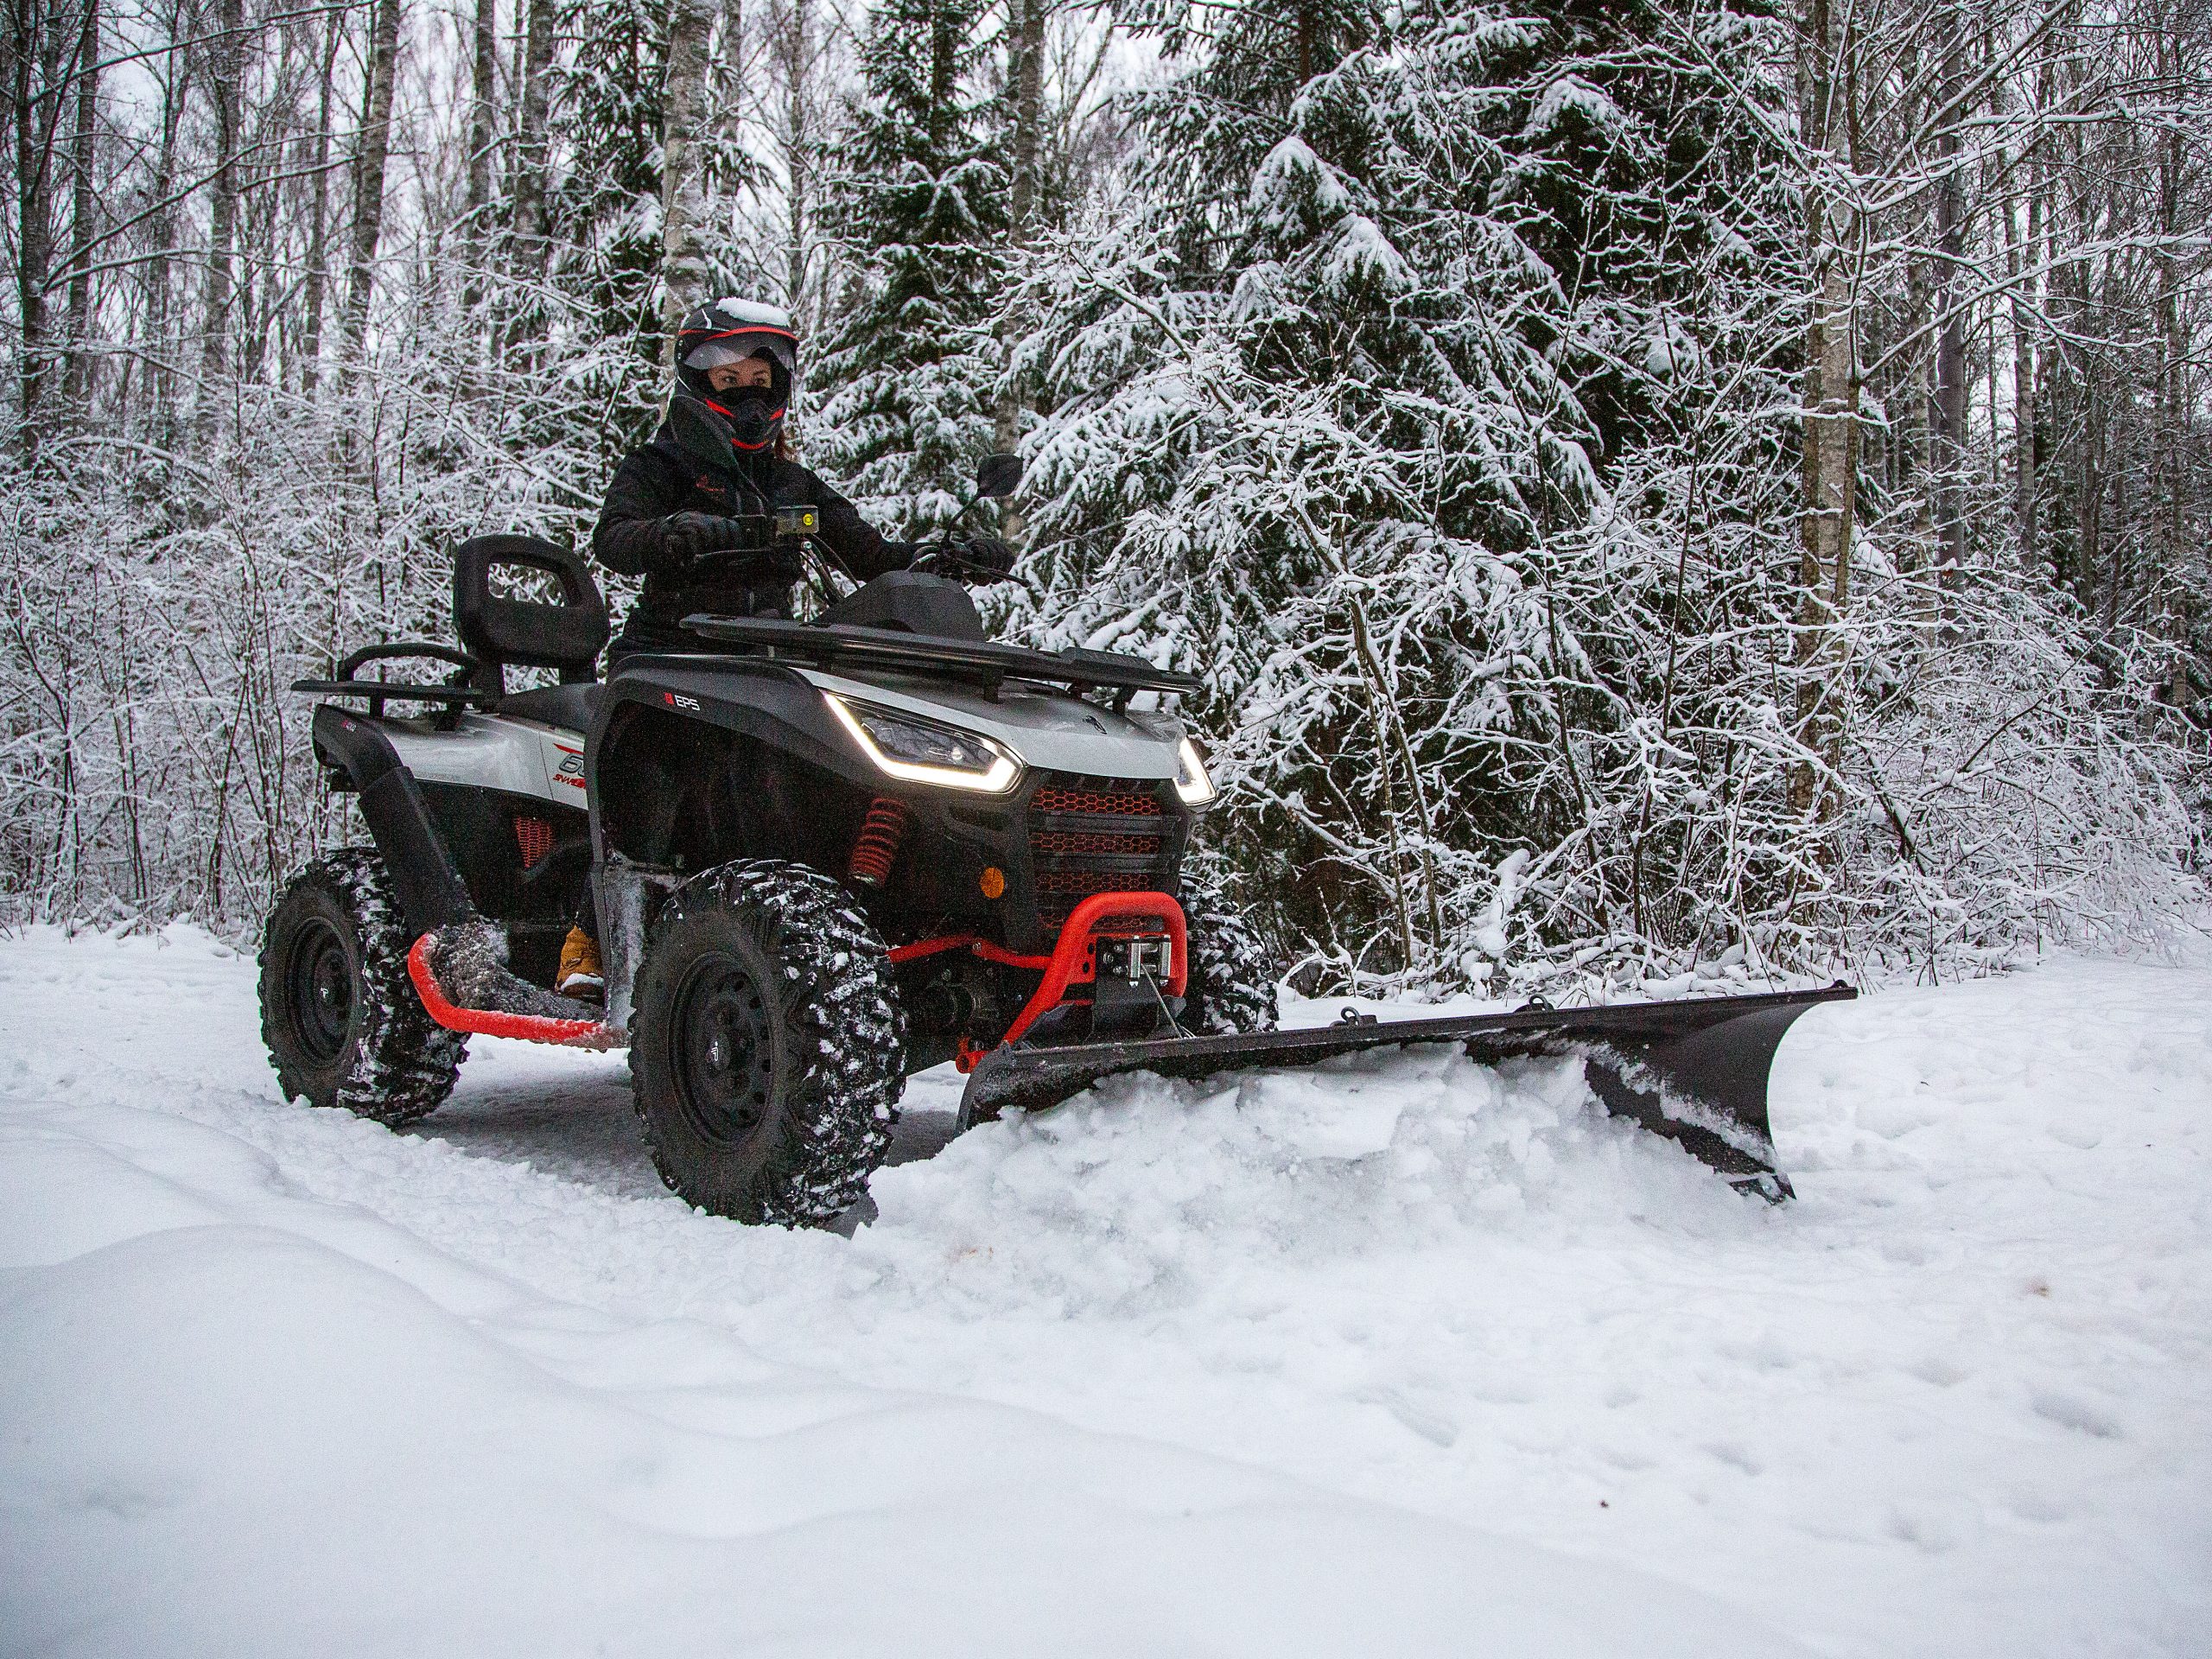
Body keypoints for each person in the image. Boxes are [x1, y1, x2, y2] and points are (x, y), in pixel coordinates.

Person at [556, 296, 1015, 997]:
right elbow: (614, 536)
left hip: (766, 663)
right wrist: (670, 531)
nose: (746, 394)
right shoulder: (660, 465)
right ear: (697, 384)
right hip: (669, 657)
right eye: (728, 381)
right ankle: (591, 938)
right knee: (650, 779)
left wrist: (945, 557)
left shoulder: (792, 482)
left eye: (760, 382)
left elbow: (871, 554)